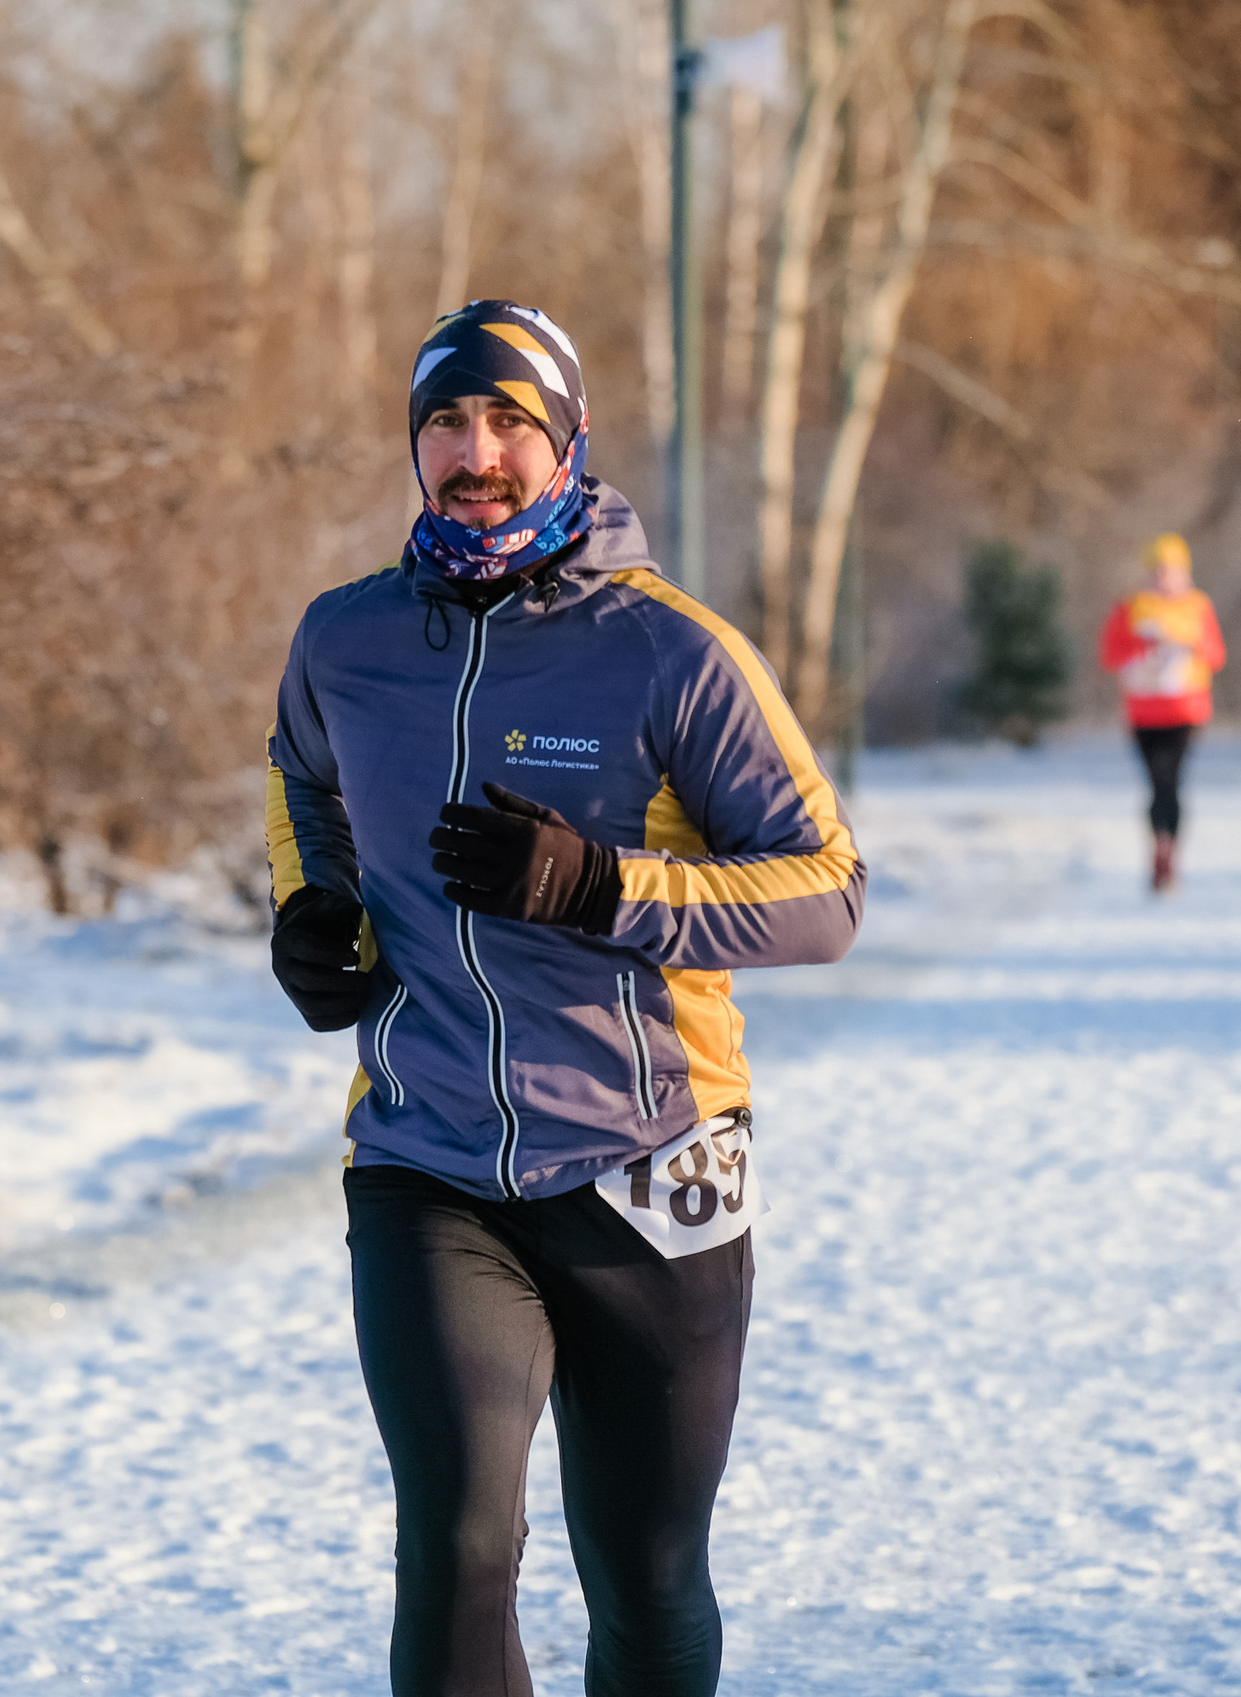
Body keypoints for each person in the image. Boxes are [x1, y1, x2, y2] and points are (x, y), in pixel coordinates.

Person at [263, 299, 864, 1697]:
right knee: (460, 1540)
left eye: (511, 422)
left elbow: (829, 890)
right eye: (447, 422)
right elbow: (299, 777)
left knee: (644, 1573)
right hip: (429, 1158)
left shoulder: (671, 652)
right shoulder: (347, 639)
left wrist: (606, 885)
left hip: (653, 1166)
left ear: (569, 441)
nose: (477, 453)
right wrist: (312, 907)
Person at [1098, 533, 1226, 894]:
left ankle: (1168, 854)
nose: (1164, 577)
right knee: (1157, 784)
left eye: (1171, 570)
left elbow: (1216, 655)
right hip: (1143, 712)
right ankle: (1161, 849)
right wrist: (1145, 647)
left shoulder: (1198, 606)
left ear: (1184, 571)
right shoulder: (1131, 607)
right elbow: (1109, 655)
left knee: (1171, 782)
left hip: (1185, 710)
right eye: (1158, 570)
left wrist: (1188, 646)